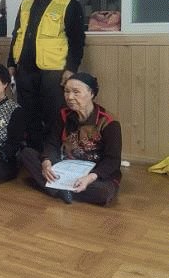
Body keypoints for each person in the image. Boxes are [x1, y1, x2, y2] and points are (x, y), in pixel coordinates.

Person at [8, 0, 85, 152]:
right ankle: (33, 154)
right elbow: (17, 34)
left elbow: (77, 40)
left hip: (53, 70)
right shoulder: (26, 3)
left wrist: (71, 69)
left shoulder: (69, 3)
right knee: (28, 113)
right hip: (25, 69)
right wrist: (11, 63)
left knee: (53, 114)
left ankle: (52, 154)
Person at [20, 73, 122, 206]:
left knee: (103, 193)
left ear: (91, 93)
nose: (70, 97)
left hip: (93, 172)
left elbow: (113, 160)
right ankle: (64, 189)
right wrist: (46, 162)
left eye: (76, 92)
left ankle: (53, 188)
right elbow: (52, 143)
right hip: (66, 166)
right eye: (67, 92)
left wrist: (90, 177)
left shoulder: (108, 122)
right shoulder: (63, 114)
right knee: (27, 154)